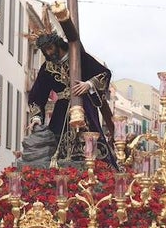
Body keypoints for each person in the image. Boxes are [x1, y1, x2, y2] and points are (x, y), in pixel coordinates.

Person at [23, 29, 116, 168]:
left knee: (93, 145)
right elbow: (37, 94)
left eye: (49, 48)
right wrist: (36, 118)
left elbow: (104, 73)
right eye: (44, 51)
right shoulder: (47, 67)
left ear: (57, 44)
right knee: (57, 150)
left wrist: (88, 84)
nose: (48, 53)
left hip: (84, 107)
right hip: (61, 112)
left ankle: (99, 172)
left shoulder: (78, 57)